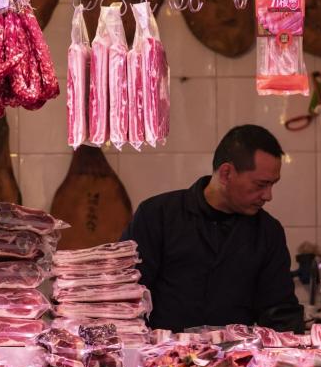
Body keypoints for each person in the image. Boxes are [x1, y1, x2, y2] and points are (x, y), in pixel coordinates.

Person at [122, 124, 303, 333]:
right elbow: (127, 295)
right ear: (226, 173)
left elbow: (280, 311)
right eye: (260, 185)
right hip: (159, 358)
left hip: (235, 361)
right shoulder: (156, 215)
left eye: (273, 184)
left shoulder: (268, 232)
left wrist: (291, 359)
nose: (268, 195)